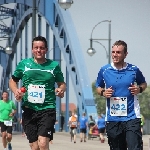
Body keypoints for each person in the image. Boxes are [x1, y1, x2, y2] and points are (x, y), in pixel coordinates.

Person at [9, 36, 66, 150]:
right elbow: (12, 81)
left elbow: (62, 83)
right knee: (34, 147)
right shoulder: (24, 64)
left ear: (46, 49)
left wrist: (61, 89)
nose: (39, 50)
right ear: (32, 49)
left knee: (43, 143)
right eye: (36, 48)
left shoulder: (53, 66)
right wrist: (16, 91)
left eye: (42, 48)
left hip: (47, 108)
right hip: (29, 109)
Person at [95, 40, 147, 150]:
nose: (114, 54)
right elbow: (98, 87)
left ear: (125, 54)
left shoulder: (134, 69)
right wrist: (104, 92)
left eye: (118, 52)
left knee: (135, 147)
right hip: (113, 118)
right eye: (113, 52)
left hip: (132, 116)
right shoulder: (104, 70)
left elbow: (143, 83)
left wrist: (139, 89)